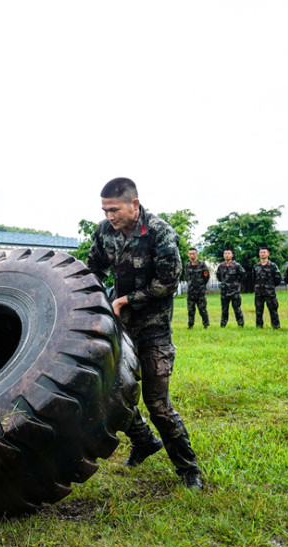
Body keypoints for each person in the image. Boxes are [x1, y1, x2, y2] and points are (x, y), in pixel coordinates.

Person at [87, 177, 203, 490]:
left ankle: (189, 470)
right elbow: (93, 269)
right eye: (105, 210)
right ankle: (143, 441)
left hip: (154, 331)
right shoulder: (104, 232)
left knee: (158, 405)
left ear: (134, 205)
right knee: (110, 393)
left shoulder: (159, 231)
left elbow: (168, 283)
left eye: (114, 210)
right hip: (120, 329)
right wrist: (93, 298)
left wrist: (125, 300)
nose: (109, 216)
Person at [252, 247, 282, 329]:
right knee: (258, 311)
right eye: (261, 252)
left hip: (270, 293)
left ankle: (276, 326)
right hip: (259, 293)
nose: (262, 254)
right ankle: (259, 326)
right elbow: (253, 278)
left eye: (264, 252)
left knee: (273, 310)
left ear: (268, 254)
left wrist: (271, 286)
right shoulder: (256, 266)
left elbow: (278, 278)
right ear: (259, 254)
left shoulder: (273, 266)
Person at [216, 248, 246, 328]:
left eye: (229, 253)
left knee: (237, 308)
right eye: (225, 253)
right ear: (223, 255)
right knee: (224, 309)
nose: (227, 255)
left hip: (234, 291)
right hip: (224, 291)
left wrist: (236, 283)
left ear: (232, 255)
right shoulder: (221, 266)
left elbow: (243, 275)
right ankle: (223, 325)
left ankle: (240, 324)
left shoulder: (236, 266)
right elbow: (218, 277)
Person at [183, 248, 211, 329]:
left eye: (193, 253)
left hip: (200, 291)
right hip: (191, 291)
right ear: (188, 255)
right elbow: (186, 277)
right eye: (190, 254)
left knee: (202, 309)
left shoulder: (202, 264)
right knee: (190, 309)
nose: (192, 255)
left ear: (197, 254)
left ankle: (206, 325)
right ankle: (190, 325)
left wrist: (201, 285)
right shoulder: (187, 266)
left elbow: (206, 276)